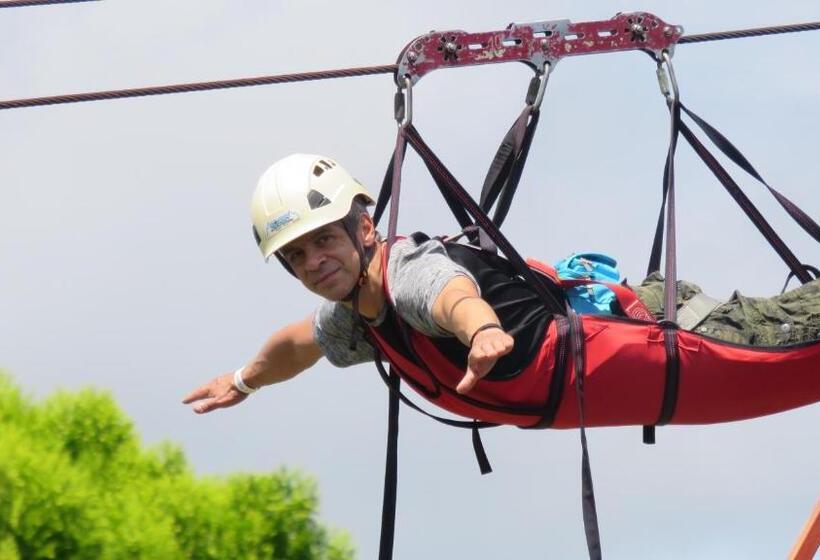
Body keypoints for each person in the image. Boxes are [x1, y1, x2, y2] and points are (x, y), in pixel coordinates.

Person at [184, 154, 820, 427]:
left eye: (324, 241)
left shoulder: (407, 278)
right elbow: (301, 343)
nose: (314, 262)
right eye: (296, 257)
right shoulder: (356, 313)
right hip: (647, 348)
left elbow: (450, 293)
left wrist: (482, 330)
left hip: (673, 330)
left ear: (364, 226)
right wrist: (242, 381)